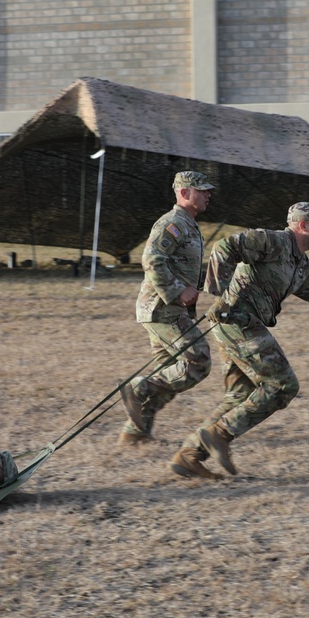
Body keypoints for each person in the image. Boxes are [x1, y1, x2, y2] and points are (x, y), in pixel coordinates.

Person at [169, 202, 309, 480]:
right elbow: (224, 248)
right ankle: (220, 434)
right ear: (302, 225)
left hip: (239, 323)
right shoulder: (272, 241)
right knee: (282, 386)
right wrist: (219, 295)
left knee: (241, 395)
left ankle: (190, 456)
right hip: (237, 320)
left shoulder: (300, 265)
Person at [117, 171, 215, 444]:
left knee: (169, 371)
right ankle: (138, 388)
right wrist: (177, 291)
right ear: (184, 193)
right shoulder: (172, 223)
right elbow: (151, 259)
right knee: (197, 362)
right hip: (163, 308)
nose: (209, 194)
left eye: (209, 190)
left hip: (169, 309)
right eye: (202, 190)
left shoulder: (189, 224)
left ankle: (135, 433)